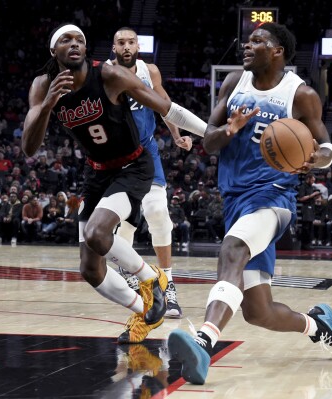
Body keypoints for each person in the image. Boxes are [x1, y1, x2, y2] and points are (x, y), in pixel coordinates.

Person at [167, 23, 332, 385]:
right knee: (259, 312)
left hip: (274, 197)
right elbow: (208, 143)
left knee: (232, 248)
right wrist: (230, 129)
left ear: (278, 52)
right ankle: (317, 325)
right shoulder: (232, 84)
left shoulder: (300, 94)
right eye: (248, 38)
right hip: (235, 200)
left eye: (258, 40)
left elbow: (326, 147)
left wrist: (316, 158)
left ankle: (203, 341)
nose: (247, 44)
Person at [22, 24, 207, 344]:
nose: (75, 43)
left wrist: (216, 134)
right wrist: (48, 104)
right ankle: (144, 312)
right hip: (98, 173)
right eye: (66, 40)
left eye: (79, 38)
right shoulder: (43, 85)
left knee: (97, 232)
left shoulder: (107, 74)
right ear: (55, 51)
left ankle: (153, 278)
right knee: (90, 270)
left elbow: (167, 107)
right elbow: (28, 146)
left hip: (133, 166)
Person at [108, 27, 198, 327]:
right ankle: (133, 278)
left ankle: (168, 285)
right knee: (123, 223)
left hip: (146, 154)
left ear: (137, 46)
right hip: (115, 158)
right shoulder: (104, 74)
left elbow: (165, 107)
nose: (126, 46)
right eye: (121, 42)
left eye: (131, 41)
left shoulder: (150, 71)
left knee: (158, 212)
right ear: (114, 47)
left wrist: (177, 135)